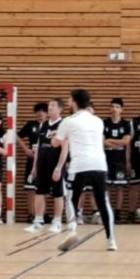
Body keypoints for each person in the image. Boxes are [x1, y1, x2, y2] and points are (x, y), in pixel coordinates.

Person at [52, 88, 117, 252]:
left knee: (71, 199)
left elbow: (56, 143)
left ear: (74, 102)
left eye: (69, 99)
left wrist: (54, 135)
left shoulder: (68, 121)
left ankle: (72, 230)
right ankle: (111, 241)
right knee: (103, 202)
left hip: (79, 165)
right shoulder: (98, 121)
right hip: (100, 165)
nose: (68, 102)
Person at [27, 99, 66, 233]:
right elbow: (38, 147)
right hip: (42, 164)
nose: (49, 107)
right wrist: (34, 167)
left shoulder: (63, 125)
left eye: (53, 105)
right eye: (49, 105)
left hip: (55, 164)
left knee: (57, 193)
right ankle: (38, 221)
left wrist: (59, 167)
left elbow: (65, 148)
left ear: (60, 109)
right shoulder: (43, 124)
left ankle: (57, 222)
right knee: (39, 192)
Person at [17, 101, 47, 227]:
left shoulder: (50, 126)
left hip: (45, 160)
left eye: (43, 111)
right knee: (30, 187)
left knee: (43, 188)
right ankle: (31, 213)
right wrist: (25, 149)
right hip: (32, 160)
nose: (40, 113)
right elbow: (17, 136)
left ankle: (42, 214)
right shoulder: (31, 125)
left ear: (47, 113)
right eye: (38, 111)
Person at [103, 98, 133, 218]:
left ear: (121, 110)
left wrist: (110, 141)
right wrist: (116, 143)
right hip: (106, 159)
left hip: (120, 159)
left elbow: (126, 141)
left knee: (119, 186)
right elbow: (102, 141)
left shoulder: (125, 124)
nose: (114, 109)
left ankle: (118, 213)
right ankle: (107, 210)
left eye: (117, 107)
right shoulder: (104, 123)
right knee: (107, 186)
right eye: (112, 107)